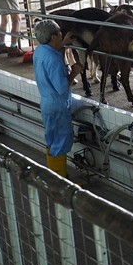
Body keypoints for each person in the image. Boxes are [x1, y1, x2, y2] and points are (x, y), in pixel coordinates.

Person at [32, 19, 83, 178]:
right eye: (60, 33)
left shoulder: (40, 50)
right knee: (61, 141)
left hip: (47, 102)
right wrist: (74, 72)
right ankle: (61, 178)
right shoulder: (54, 60)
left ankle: (55, 175)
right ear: (54, 37)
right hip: (58, 105)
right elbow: (61, 88)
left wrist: (64, 43)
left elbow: (52, 53)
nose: (62, 35)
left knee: (52, 139)